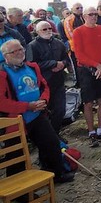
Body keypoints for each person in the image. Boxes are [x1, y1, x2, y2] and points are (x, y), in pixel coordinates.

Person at [0, 40, 75, 184]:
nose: (19, 53)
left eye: (20, 49)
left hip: (37, 115)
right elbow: (2, 102)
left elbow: (43, 86)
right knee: (16, 156)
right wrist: (27, 106)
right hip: (15, 121)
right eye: (14, 51)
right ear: (5, 56)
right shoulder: (2, 74)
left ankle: (56, 174)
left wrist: (43, 101)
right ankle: (19, 193)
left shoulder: (32, 67)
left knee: (51, 143)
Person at [72, 6, 101, 147]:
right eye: (90, 14)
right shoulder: (78, 32)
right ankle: (91, 132)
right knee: (88, 102)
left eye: (95, 14)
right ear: (84, 16)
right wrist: (97, 65)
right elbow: (79, 54)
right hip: (86, 70)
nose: (94, 16)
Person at [26, 21, 71, 135]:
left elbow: (66, 59)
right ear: (37, 31)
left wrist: (62, 64)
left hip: (59, 81)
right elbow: (31, 64)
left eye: (49, 28)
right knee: (45, 112)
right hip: (43, 84)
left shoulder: (58, 43)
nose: (48, 31)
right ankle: (48, 137)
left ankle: (56, 134)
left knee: (60, 110)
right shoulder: (32, 46)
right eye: (44, 29)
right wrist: (53, 63)